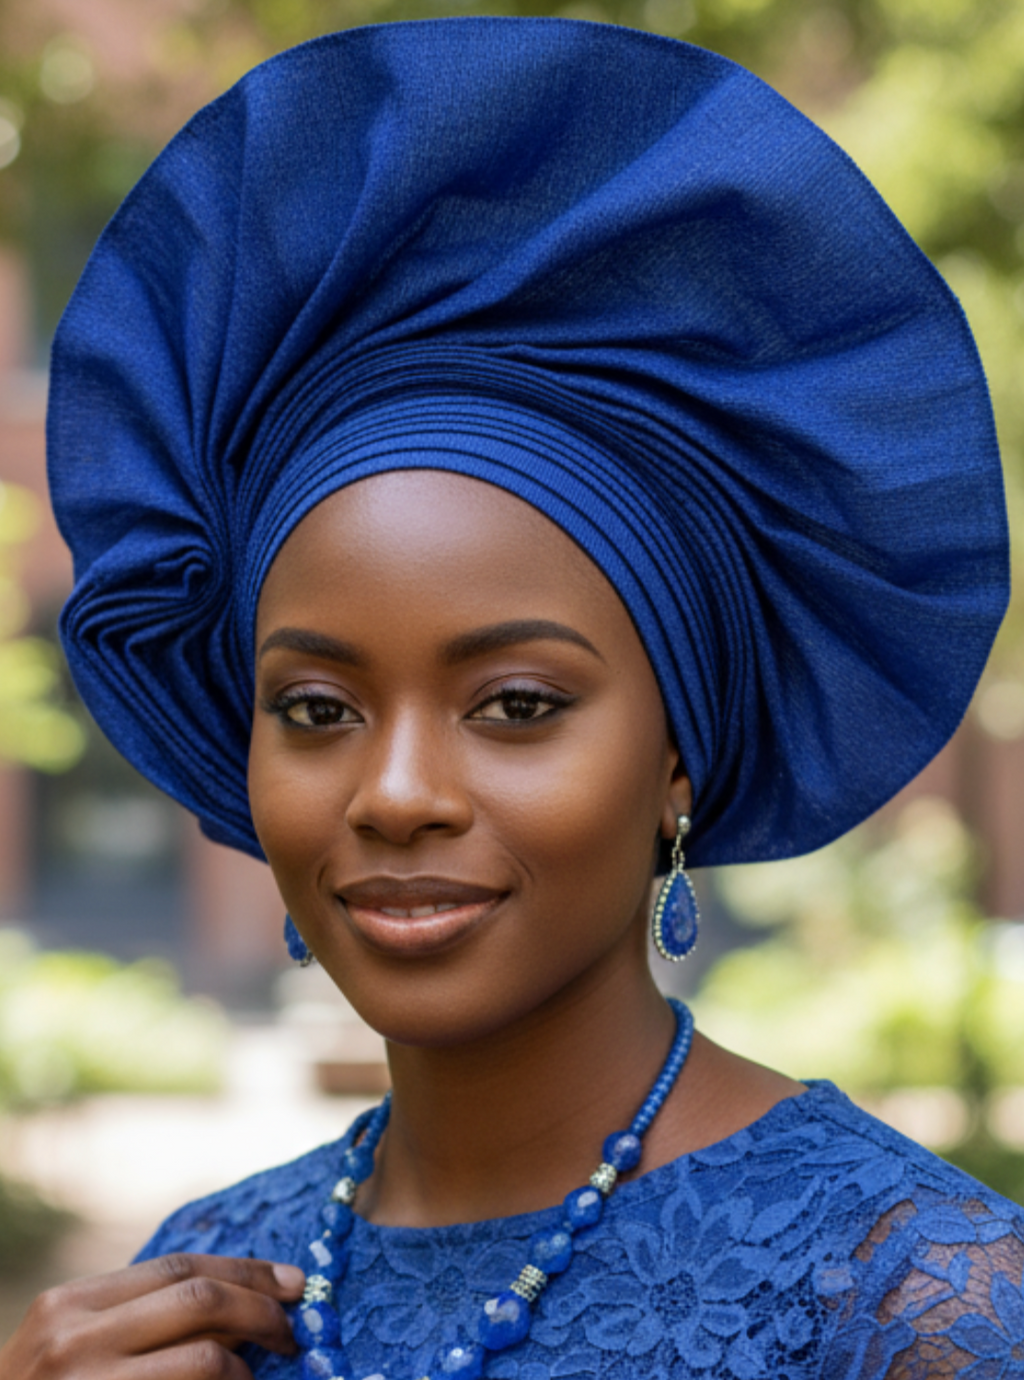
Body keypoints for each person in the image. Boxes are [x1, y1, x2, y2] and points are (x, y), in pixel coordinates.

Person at [2, 16, 1018, 1380]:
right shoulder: (194, 1292)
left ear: (677, 758)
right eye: (317, 709)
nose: (396, 795)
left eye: (518, 704)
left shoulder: (914, 1303)